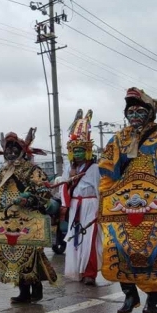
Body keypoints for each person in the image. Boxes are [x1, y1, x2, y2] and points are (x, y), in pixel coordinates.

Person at [98, 87, 157, 313]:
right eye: (131, 110)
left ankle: (152, 300)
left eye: (140, 110)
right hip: (123, 204)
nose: (134, 115)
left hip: (155, 205)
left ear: (150, 113)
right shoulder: (118, 139)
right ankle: (129, 294)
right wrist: (108, 197)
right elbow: (108, 174)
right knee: (118, 248)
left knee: (155, 252)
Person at [0, 128, 59, 303]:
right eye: (8, 150)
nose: (11, 153)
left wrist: (28, 199)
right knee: (12, 256)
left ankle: (36, 288)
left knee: (29, 256)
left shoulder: (32, 170)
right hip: (7, 219)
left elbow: (43, 191)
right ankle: (23, 291)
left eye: (14, 150)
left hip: (28, 219)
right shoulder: (2, 172)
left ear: (22, 152)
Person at [61, 110, 102, 286]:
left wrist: (101, 209)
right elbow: (64, 188)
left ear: (86, 151)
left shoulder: (94, 168)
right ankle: (78, 270)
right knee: (75, 239)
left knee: (89, 239)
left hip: (90, 206)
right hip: (75, 206)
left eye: (80, 151)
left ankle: (89, 273)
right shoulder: (69, 169)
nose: (77, 154)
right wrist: (70, 179)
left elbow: (101, 189)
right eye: (74, 151)